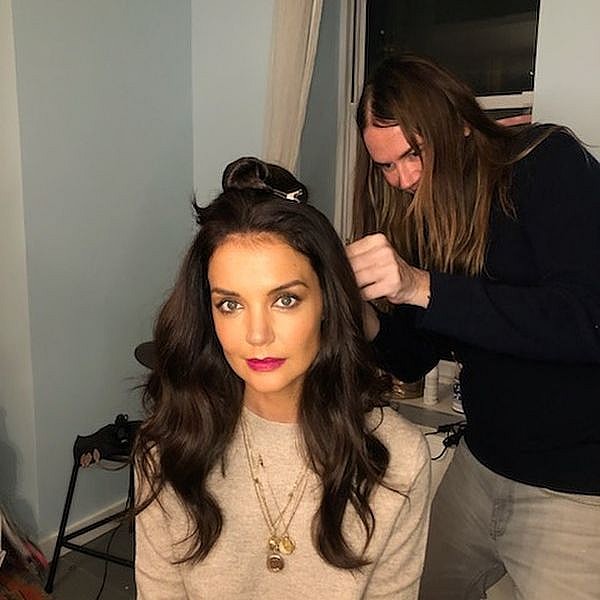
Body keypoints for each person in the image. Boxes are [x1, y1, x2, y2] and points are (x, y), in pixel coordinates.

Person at [346, 53, 600, 600]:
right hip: (481, 463)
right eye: (386, 166)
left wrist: (421, 286)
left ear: (458, 123)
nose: (403, 179)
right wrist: (362, 316)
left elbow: (586, 320)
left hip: (578, 486)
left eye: (413, 154)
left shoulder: (545, 161)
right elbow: (414, 356)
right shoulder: (432, 215)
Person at [133, 157, 431, 599]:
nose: (257, 335)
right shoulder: (170, 450)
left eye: (285, 300)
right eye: (230, 304)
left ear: (327, 303)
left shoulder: (399, 458)